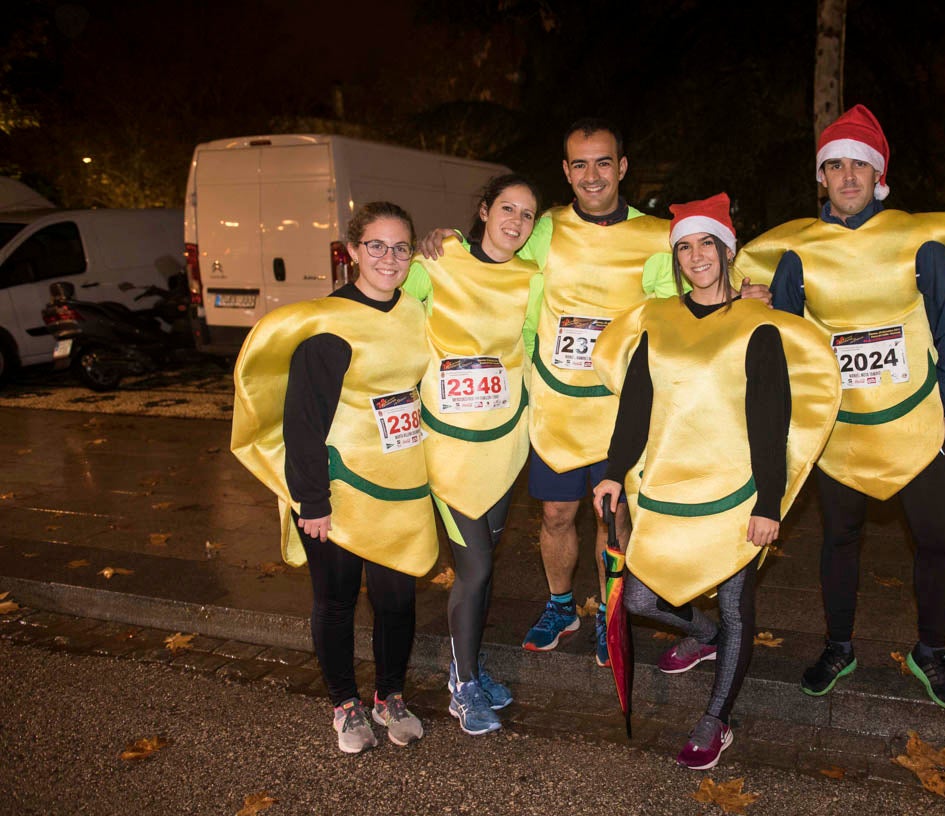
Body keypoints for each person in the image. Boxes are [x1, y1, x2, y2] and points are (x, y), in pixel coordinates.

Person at [425, 119, 770, 665]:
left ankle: (610, 616)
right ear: (565, 171)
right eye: (579, 164)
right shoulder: (545, 227)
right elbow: (494, 248)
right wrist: (448, 243)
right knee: (557, 515)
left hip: (622, 410)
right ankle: (561, 604)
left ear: (622, 167)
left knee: (614, 519)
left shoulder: (657, 235)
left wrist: (749, 293)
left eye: (603, 162)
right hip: (555, 406)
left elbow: (692, 291)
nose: (592, 175)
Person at [735, 105, 945, 709]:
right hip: (841, 430)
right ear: (821, 178)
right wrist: (755, 305)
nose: (847, 176)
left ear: (877, 176)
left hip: (915, 421)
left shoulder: (917, 241)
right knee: (838, 541)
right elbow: (789, 338)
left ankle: (931, 651)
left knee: (935, 541)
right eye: (836, 166)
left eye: (859, 165)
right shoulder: (799, 252)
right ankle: (838, 646)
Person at [591, 194, 839, 769]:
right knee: (643, 595)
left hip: (737, 494)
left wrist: (770, 504)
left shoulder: (759, 324)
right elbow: (637, 404)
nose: (696, 255)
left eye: (707, 243)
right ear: (675, 256)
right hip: (668, 490)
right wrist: (610, 472)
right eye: (684, 246)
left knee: (735, 603)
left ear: (728, 250)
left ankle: (714, 720)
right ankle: (701, 635)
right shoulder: (657, 317)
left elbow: (771, 419)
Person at [231, 201, 437, 753]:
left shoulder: (416, 311)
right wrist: (311, 501)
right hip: (338, 486)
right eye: (376, 246)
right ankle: (345, 704)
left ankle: (390, 694)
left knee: (397, 599)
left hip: (402, 483)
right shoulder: (328, 324)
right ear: (351, 252)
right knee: (337, 599)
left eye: (400, 247)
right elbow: (302, 421)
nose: (389, 258)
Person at [402, 174, 543, 735]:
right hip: (449, 448)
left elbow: (533, 349)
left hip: (504, 445)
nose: (515, 221)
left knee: (483, 573)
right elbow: (381, 306)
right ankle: (462, 688)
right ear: (483, 211)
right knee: (475, 567)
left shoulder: (533, 278)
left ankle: (471, 665)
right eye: (507, 207)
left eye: (528, 215)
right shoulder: (438, 261)